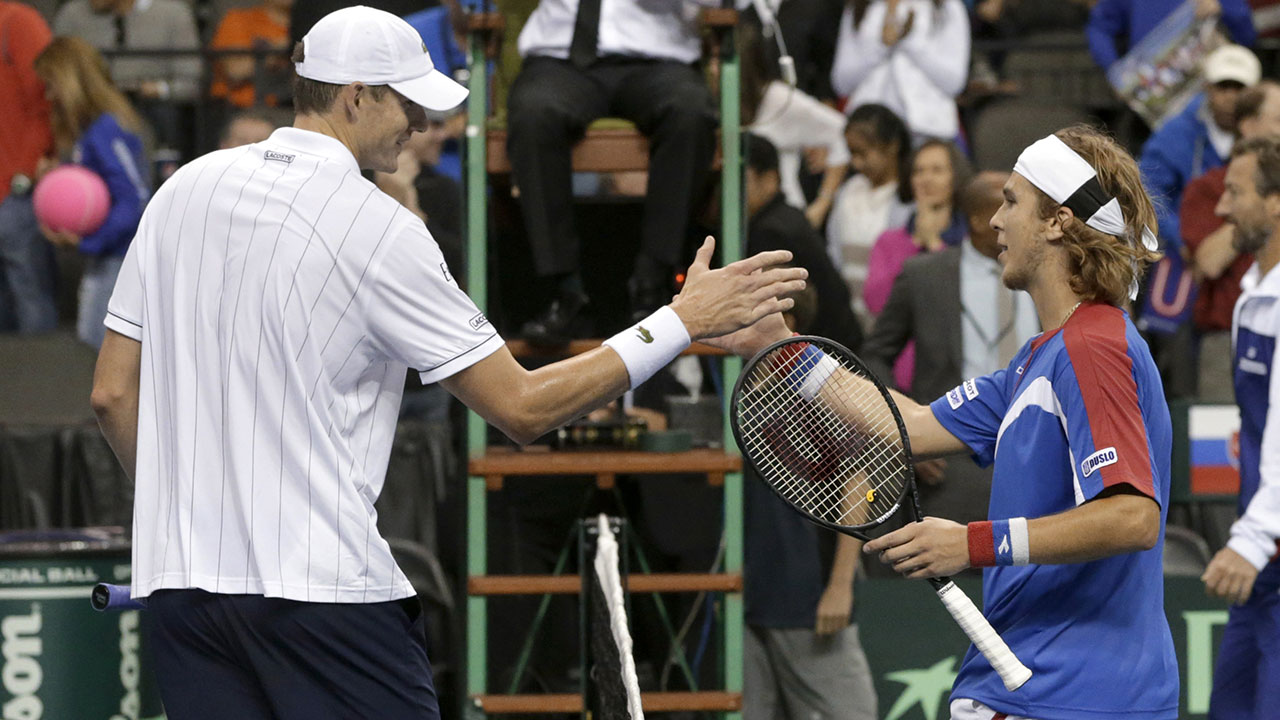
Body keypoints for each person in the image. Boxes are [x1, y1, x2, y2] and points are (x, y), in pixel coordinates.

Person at [88, 7, 806, 718]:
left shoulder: (181, 190)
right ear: (356, 96)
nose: (423, 125)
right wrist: (679, 323)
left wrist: (184, 516)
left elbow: (113, 396)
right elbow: (523, 409)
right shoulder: (379, 229)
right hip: (323, 602)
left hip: (181, 599)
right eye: (408, 102)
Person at [710, 124, 1177, 720]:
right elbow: (906, 425)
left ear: (1059, 220)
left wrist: (970, 544)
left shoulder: (1096, 346)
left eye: (1012, 202)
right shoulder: (1042, 357)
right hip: (1029, 683)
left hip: (1076, 694)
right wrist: (783, 345)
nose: (994, 222)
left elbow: (1133, 516)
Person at [741, 132, 877, 720]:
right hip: (740, 598)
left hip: (808, 598)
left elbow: (860, 480)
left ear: (792, 318)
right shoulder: (736, 390)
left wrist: (841, 584)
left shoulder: (824, 390)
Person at [509, 0, 718, 344]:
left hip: (658, 59)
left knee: (690, 113)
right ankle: (565, 291)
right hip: (560, 60)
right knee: (533, 114)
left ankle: (652, 284)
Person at [861, 172, 1039, 529]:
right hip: (950, 463)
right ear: (978, 219)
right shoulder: (924, 276)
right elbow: (875, 355)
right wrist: (906, 430)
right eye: (1007, 206)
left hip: (1035, 454)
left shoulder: (1044, 271)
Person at [1201, 134, 1280, 720]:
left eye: (1235, 191)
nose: (1222, 208)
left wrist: (1252, 541)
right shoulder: (1252, 295)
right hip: (1263, 560)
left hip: (1263, 547)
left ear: (1276, 202)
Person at [1138, 43, 1260, 399]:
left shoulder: (1260, 140)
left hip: (1241, 257)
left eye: (1240, 89)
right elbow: (1146, 193)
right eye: (1223, 87)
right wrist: (1184, 239)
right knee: (1181, 356)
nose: (1231, 97)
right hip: (1185, 262)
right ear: (1207, 88)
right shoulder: (1178, 134)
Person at [34, 36, 148, 350]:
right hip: (106, 256)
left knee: (98, 347)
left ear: (70, 82)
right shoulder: (91, 131)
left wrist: (88, 242)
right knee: (90, 342)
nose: (49, 95)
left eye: (52, 85)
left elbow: (135, 198)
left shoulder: (106, 128)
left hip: (121, 258)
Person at [1180, 80, 1280, 402]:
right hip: (1227, 340)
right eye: (1278, 120)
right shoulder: (1209, 188)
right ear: (1249, 125)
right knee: (1227, 447)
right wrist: (1251, 200)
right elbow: (1207, 262)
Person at [864, 138, 971, 390]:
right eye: (918, 171)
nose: (926, 178)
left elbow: (961, 302)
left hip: (953, 382)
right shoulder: (888, 241)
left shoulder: (971, 242)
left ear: (955, 177)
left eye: (937, 170)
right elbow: (876, 302)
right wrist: (915, 244)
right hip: (900, 384)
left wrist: (933, 243)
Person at [53, 0, 201, 158]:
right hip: (92, 109)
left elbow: (192, 81)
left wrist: (157, 89)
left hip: (149, 111)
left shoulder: (173, 14)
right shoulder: (72, 14)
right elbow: (57, 70)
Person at [741, 21, 850, 229]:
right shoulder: (712, 102)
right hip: (741, 222)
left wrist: (822, 203)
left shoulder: (779, 99)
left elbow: (843, 131)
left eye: (720, 59)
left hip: (781, 220)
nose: (713, 67)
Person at [830, 0, 970, 142]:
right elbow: (841, 83)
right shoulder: (860, 6)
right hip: (869, 133)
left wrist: (907, 40)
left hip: (927, 132)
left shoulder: (947, 6)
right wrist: (881, 46)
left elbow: (954, 82)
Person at [0, 1, 58, 334]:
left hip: (14, 192)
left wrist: (22, 175)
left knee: (30, 295)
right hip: (11, 188)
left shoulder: (17, 22)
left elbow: (45, 102)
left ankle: (43, 387)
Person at [826, 103, 913, 322]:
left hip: (890, 319)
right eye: (851, 153)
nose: (856, 163)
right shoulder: (849, 190)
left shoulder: (909, 199)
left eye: (863, 153)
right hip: (850, 319)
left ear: (892, 146)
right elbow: (834, 254)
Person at [1086, 0, 1256, 72]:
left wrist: (1221, 8)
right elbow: (1099, 27)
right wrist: (1114, 70)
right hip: (1151, 91)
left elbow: (1247, 34)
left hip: (1208, 87)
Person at [207, 0, 293, 110]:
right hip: (239, 109)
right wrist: (276, 53)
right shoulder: (239, 19)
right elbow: (235, 71)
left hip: (295, 110)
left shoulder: (312, 27)